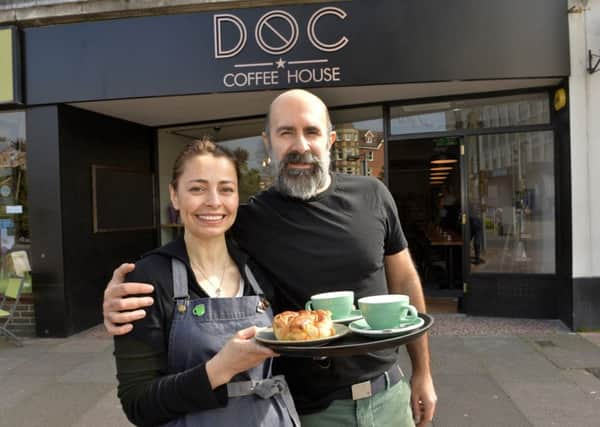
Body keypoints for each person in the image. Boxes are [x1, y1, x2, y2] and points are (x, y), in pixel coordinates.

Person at [104, 89, 437, 427]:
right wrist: (118, 297)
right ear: (268, 142)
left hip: (390, 395)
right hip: (310, 412)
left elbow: (405, 280)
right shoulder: (249, 220)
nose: (300, 145)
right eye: (286, 132)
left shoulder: (374, 195)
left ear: (331, 139)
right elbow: (192, 247)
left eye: (311, 131)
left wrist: (423, 372)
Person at [112, 139, 299, 426]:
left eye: (226, 189)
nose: (213, 201)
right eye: (197, 188)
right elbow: (138, 403)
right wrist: (219, 369)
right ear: (174, 196)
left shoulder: (260, 271)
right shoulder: (149, 279)